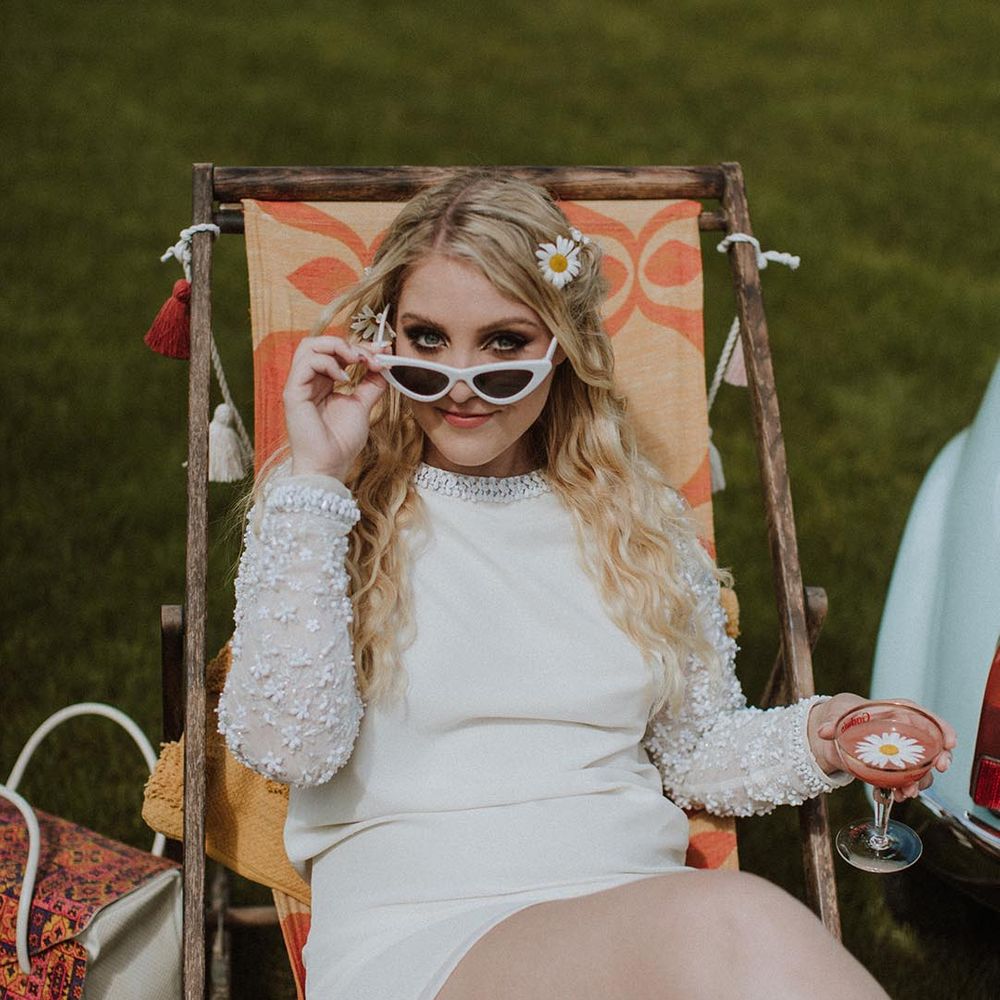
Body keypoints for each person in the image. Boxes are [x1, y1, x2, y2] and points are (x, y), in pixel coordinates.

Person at [217, 171, 954, 1000]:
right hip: (425, 933)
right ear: (383, 339)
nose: (461, 381)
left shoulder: (637, 521)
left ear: (562, 346)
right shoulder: (327, 511)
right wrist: (316, 477)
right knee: (742, 923)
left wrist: (822, 731)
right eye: (426, 340)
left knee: (728, 931)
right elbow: (286, 748)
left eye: (503, 343)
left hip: (635, 916)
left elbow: (695, 753)